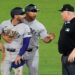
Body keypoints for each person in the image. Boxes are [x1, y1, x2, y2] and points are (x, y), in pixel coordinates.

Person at [14, 4, 55, 75]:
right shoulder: (19, 21)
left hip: (33, 53)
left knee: (33, 73)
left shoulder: (40, 26)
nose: (35, 13)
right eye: (32, 11)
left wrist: (49, 39)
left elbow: (45, 40)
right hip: (19, 52)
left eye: (36, 11)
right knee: (18, 73)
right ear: (26, 12)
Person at [0, 7, 31, 75]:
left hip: (17, 54)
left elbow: (26, 43)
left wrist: (19, 55)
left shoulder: (25, 27)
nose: (25, 16)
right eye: (22, 14)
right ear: (16, 16)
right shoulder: (4, 23)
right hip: (6, 54)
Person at [58, 4, 75, 75]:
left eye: (62, 12)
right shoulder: (66, 23)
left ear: (67, 12)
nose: (61, 14)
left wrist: (74, 53)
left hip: (73, 58)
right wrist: (63, 52)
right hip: (65, 57)